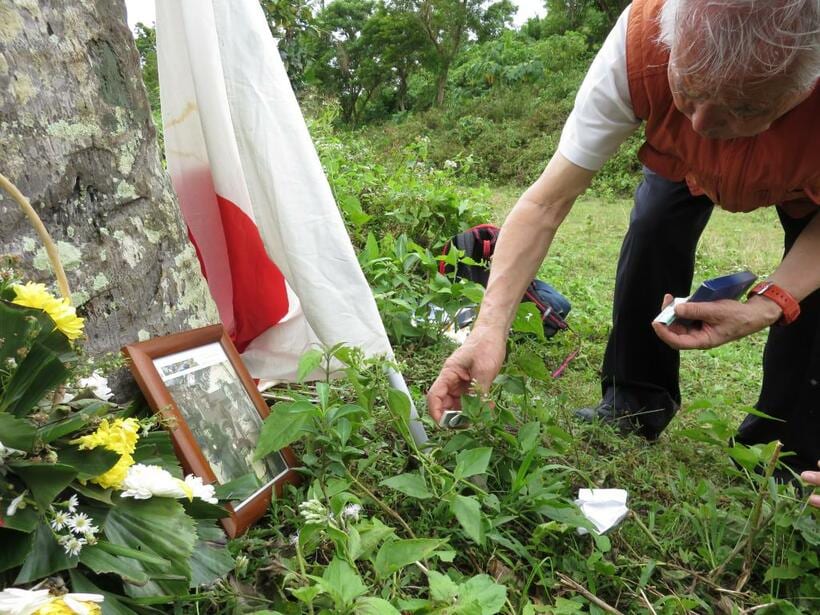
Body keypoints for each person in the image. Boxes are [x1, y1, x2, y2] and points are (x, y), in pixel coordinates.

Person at [427, 0, 820, 485]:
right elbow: (546, 203)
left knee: (813, 302)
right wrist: (489, 329)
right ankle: (635, 400)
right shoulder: (639, 42)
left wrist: (771, 301)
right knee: (653, 226)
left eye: (746, 105)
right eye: (689, 88)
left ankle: (787, 451)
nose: (703, 126)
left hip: (810, 188)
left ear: (805, 85)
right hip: (678, 167)